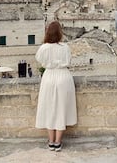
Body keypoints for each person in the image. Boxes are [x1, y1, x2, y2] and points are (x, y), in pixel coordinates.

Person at [35, 21, 77, 152]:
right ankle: (58, 142)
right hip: (64, 77)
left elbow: (40, 61)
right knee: (61, 109)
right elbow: (69, 61)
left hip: (49, 77)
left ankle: (51, 141)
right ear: (60, 33)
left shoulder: (44, 48)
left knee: (49, 108)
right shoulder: (65, 47)